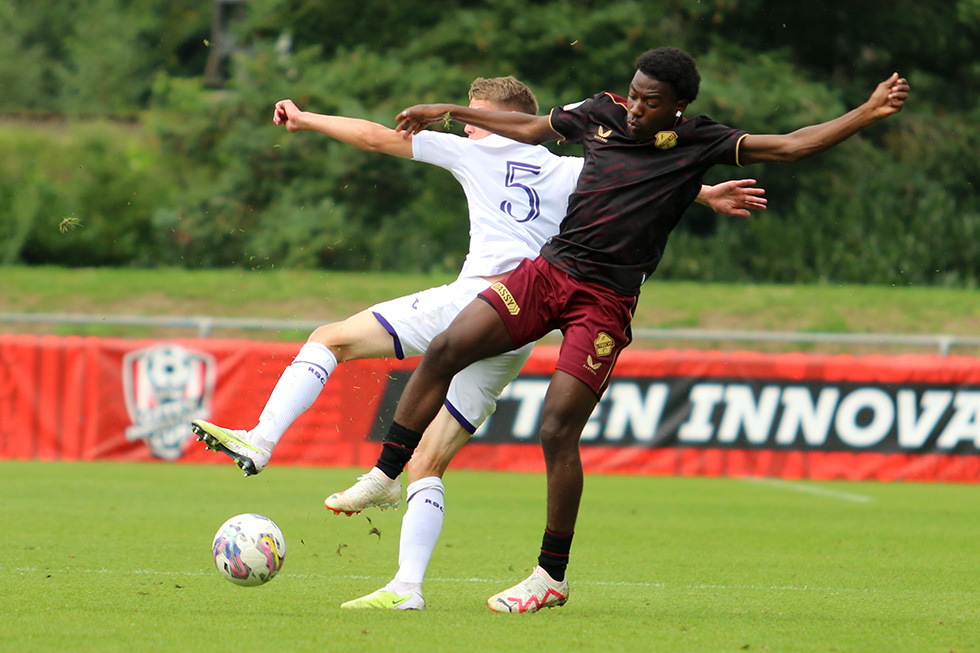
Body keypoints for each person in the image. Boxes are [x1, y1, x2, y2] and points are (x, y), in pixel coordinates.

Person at [358, 47, 910, 614]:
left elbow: (794, 145)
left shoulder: (701, 142)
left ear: (679, 107)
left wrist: (866, 112)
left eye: (651, 102)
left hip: (605, 301)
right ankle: (385, 473)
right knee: (448, 345)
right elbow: (525, 125)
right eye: (635, 92)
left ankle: (550, 576)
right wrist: (446, 109)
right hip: (549, 273)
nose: (637, 108)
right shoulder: (601, 111)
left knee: (555, 428)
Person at [190, 75, 767, 610]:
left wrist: (306, 118)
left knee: (330, 339)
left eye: (476, 117)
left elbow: (374, 137)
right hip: (522, 328)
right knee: (431, 461)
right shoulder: (571, 167)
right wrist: (708, 192)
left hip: (482, 305)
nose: (466, 126)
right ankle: (406, 587)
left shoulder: (477, 151)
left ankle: (261, 441)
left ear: (504, 121)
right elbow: (637, 183)